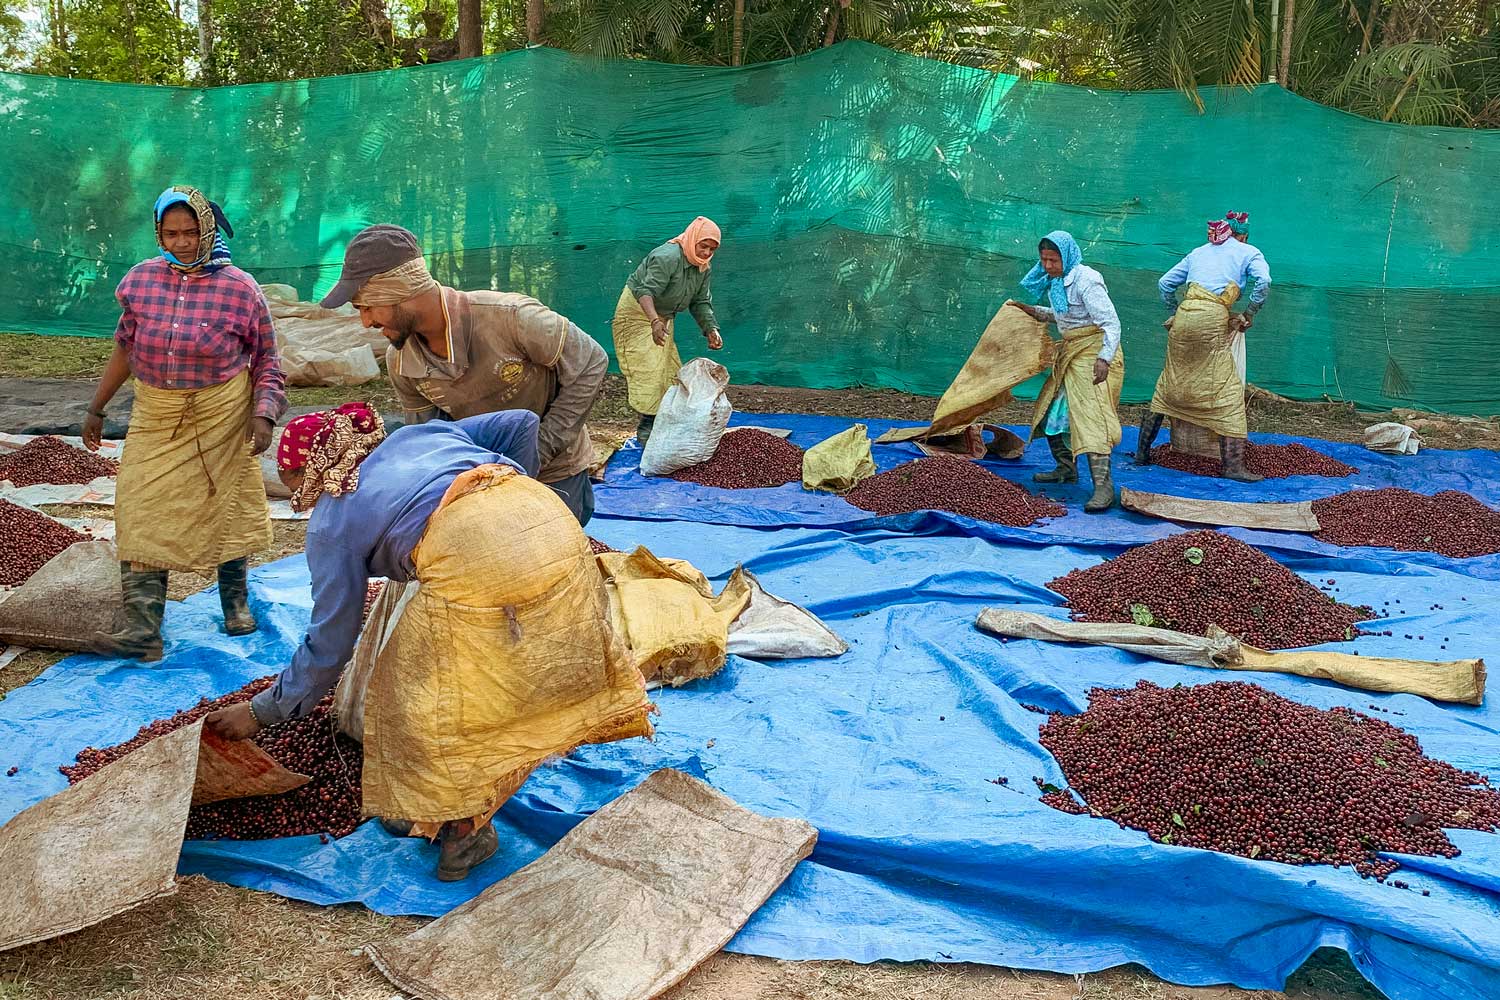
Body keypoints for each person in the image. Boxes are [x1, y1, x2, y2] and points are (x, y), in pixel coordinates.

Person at [205, 403, 650, 881]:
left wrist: (263, 711)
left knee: (429, 698)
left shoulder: (332, 522)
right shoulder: (414, 437)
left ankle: (462, 830)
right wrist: (515, 497)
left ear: (308, 466)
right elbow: (521, 422)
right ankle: (427, 798)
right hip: (549, 520)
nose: (295, 491)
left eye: (290, 476)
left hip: (476, 559)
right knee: (518, 669)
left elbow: (332, 642)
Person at [83, 185, 286, 660]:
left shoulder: (240, 287)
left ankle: (234, 602)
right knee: (140, 506)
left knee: (227, 500)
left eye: (191, 232)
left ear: (207, 229)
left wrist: (263, 414)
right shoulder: (139, 281)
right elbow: (125, 347)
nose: (181, 242)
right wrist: (97, 407)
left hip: (221, 410)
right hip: (157, 411)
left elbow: (268, 358)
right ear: (158, 231)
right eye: (170, 233)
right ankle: (142, 631)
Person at [318, 225, 607, 525]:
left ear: (398, 291)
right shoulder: (401, 361)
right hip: (477, 481)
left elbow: (590, 362)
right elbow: (429, 440)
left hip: (553, 473)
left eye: (367, 307)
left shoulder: (511, 318)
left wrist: (541, 447)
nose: (365, 322)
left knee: (538, 553)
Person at [1137, 213, 1272, 482]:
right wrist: (1250, 312)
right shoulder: (1248, 251)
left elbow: (1165, 284)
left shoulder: (1198, 252)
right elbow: (1264, 282)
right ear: (1242, 235)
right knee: (1227, 389)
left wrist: (1175, 311)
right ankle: (1232, 466)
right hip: (1211, 320)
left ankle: (1142, 453)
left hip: (1184, 317)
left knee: (1169, 381)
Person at [1011, 231, 1125, 513]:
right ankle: (1066, 469)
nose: (1048, 266)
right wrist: (1033, 311)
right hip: (1072, 352)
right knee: (1052, 413)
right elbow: (1064, 316)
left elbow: (1111, 324)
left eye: (1053, 260)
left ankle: (1104, 487)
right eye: (1044, 260)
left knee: (1091, 417)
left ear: (1068, 256)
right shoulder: (1057, 281)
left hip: (1093, 353)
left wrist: (1104, 360)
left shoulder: (1087, 280)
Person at [611, 217, 724, 446]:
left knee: (670, 371)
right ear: (693, 239)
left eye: (712, 248)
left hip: (662, 317)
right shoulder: (667, 257)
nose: (706, 252)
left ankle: (668, 425)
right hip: (638, 312)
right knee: (649, 371)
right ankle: (647, 429)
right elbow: (645, 291)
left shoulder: (703, 267)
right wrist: (654, 321)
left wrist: (710, 328)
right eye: (703, 246)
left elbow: (700, 301)